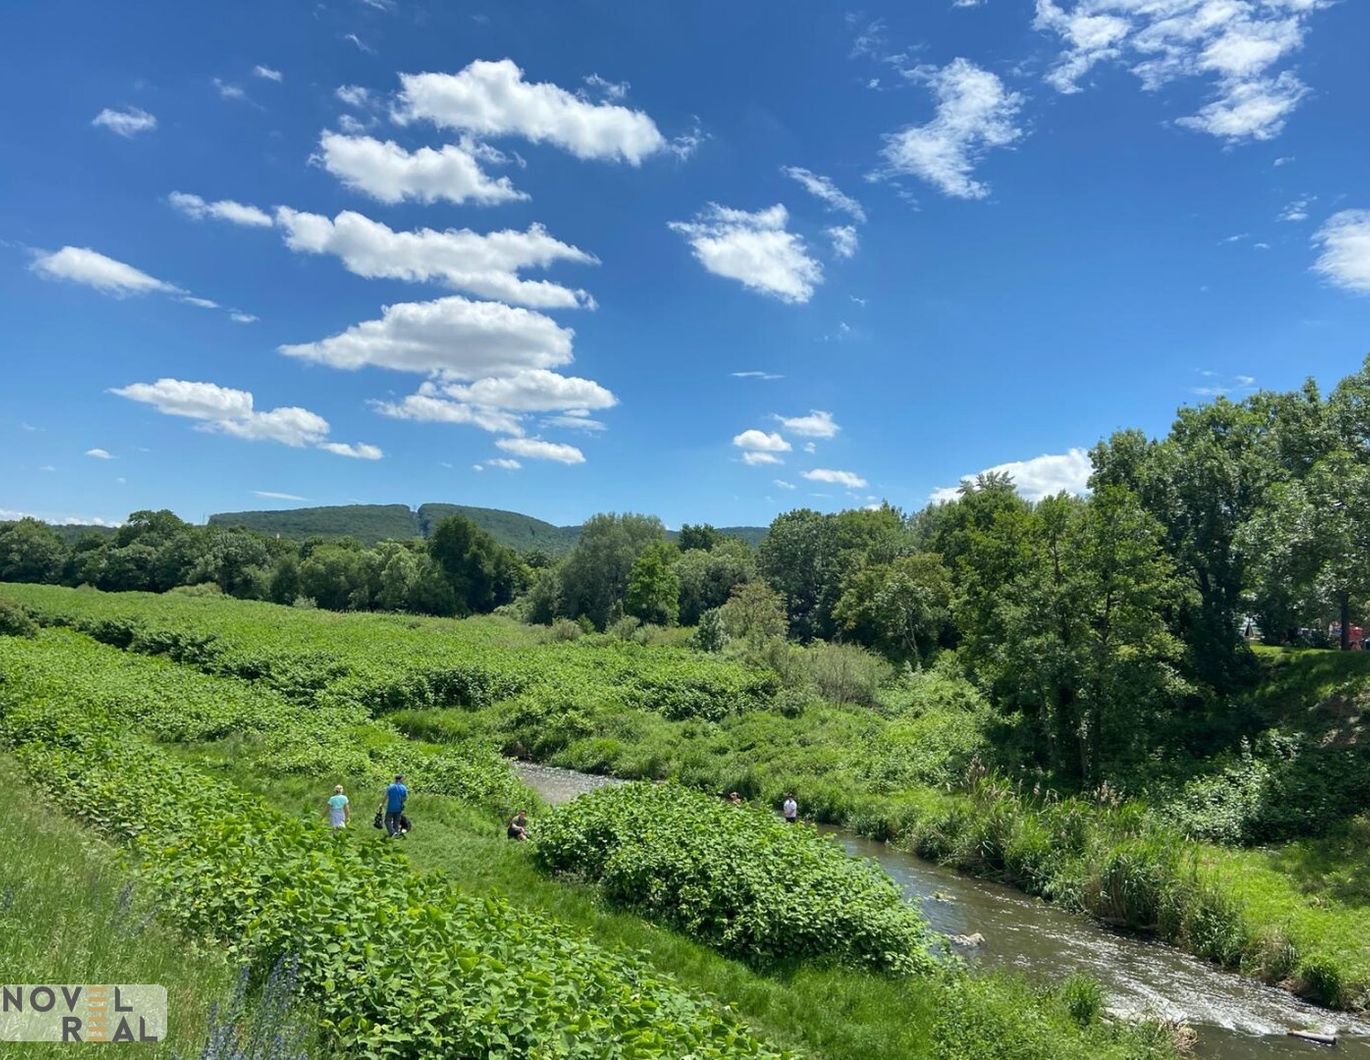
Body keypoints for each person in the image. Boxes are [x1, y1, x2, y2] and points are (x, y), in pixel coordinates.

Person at [380, 774, 408, 838]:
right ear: (401, 779)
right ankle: (396, 833)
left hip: (391, 807)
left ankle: (393, 833)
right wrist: (401, 801)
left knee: (387, 821)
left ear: (395, 779)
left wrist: (382, 804)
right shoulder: (404, 787)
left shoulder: (391, 787)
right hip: (399, 807)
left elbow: (386, 796)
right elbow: (405, 798)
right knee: (396, 821)